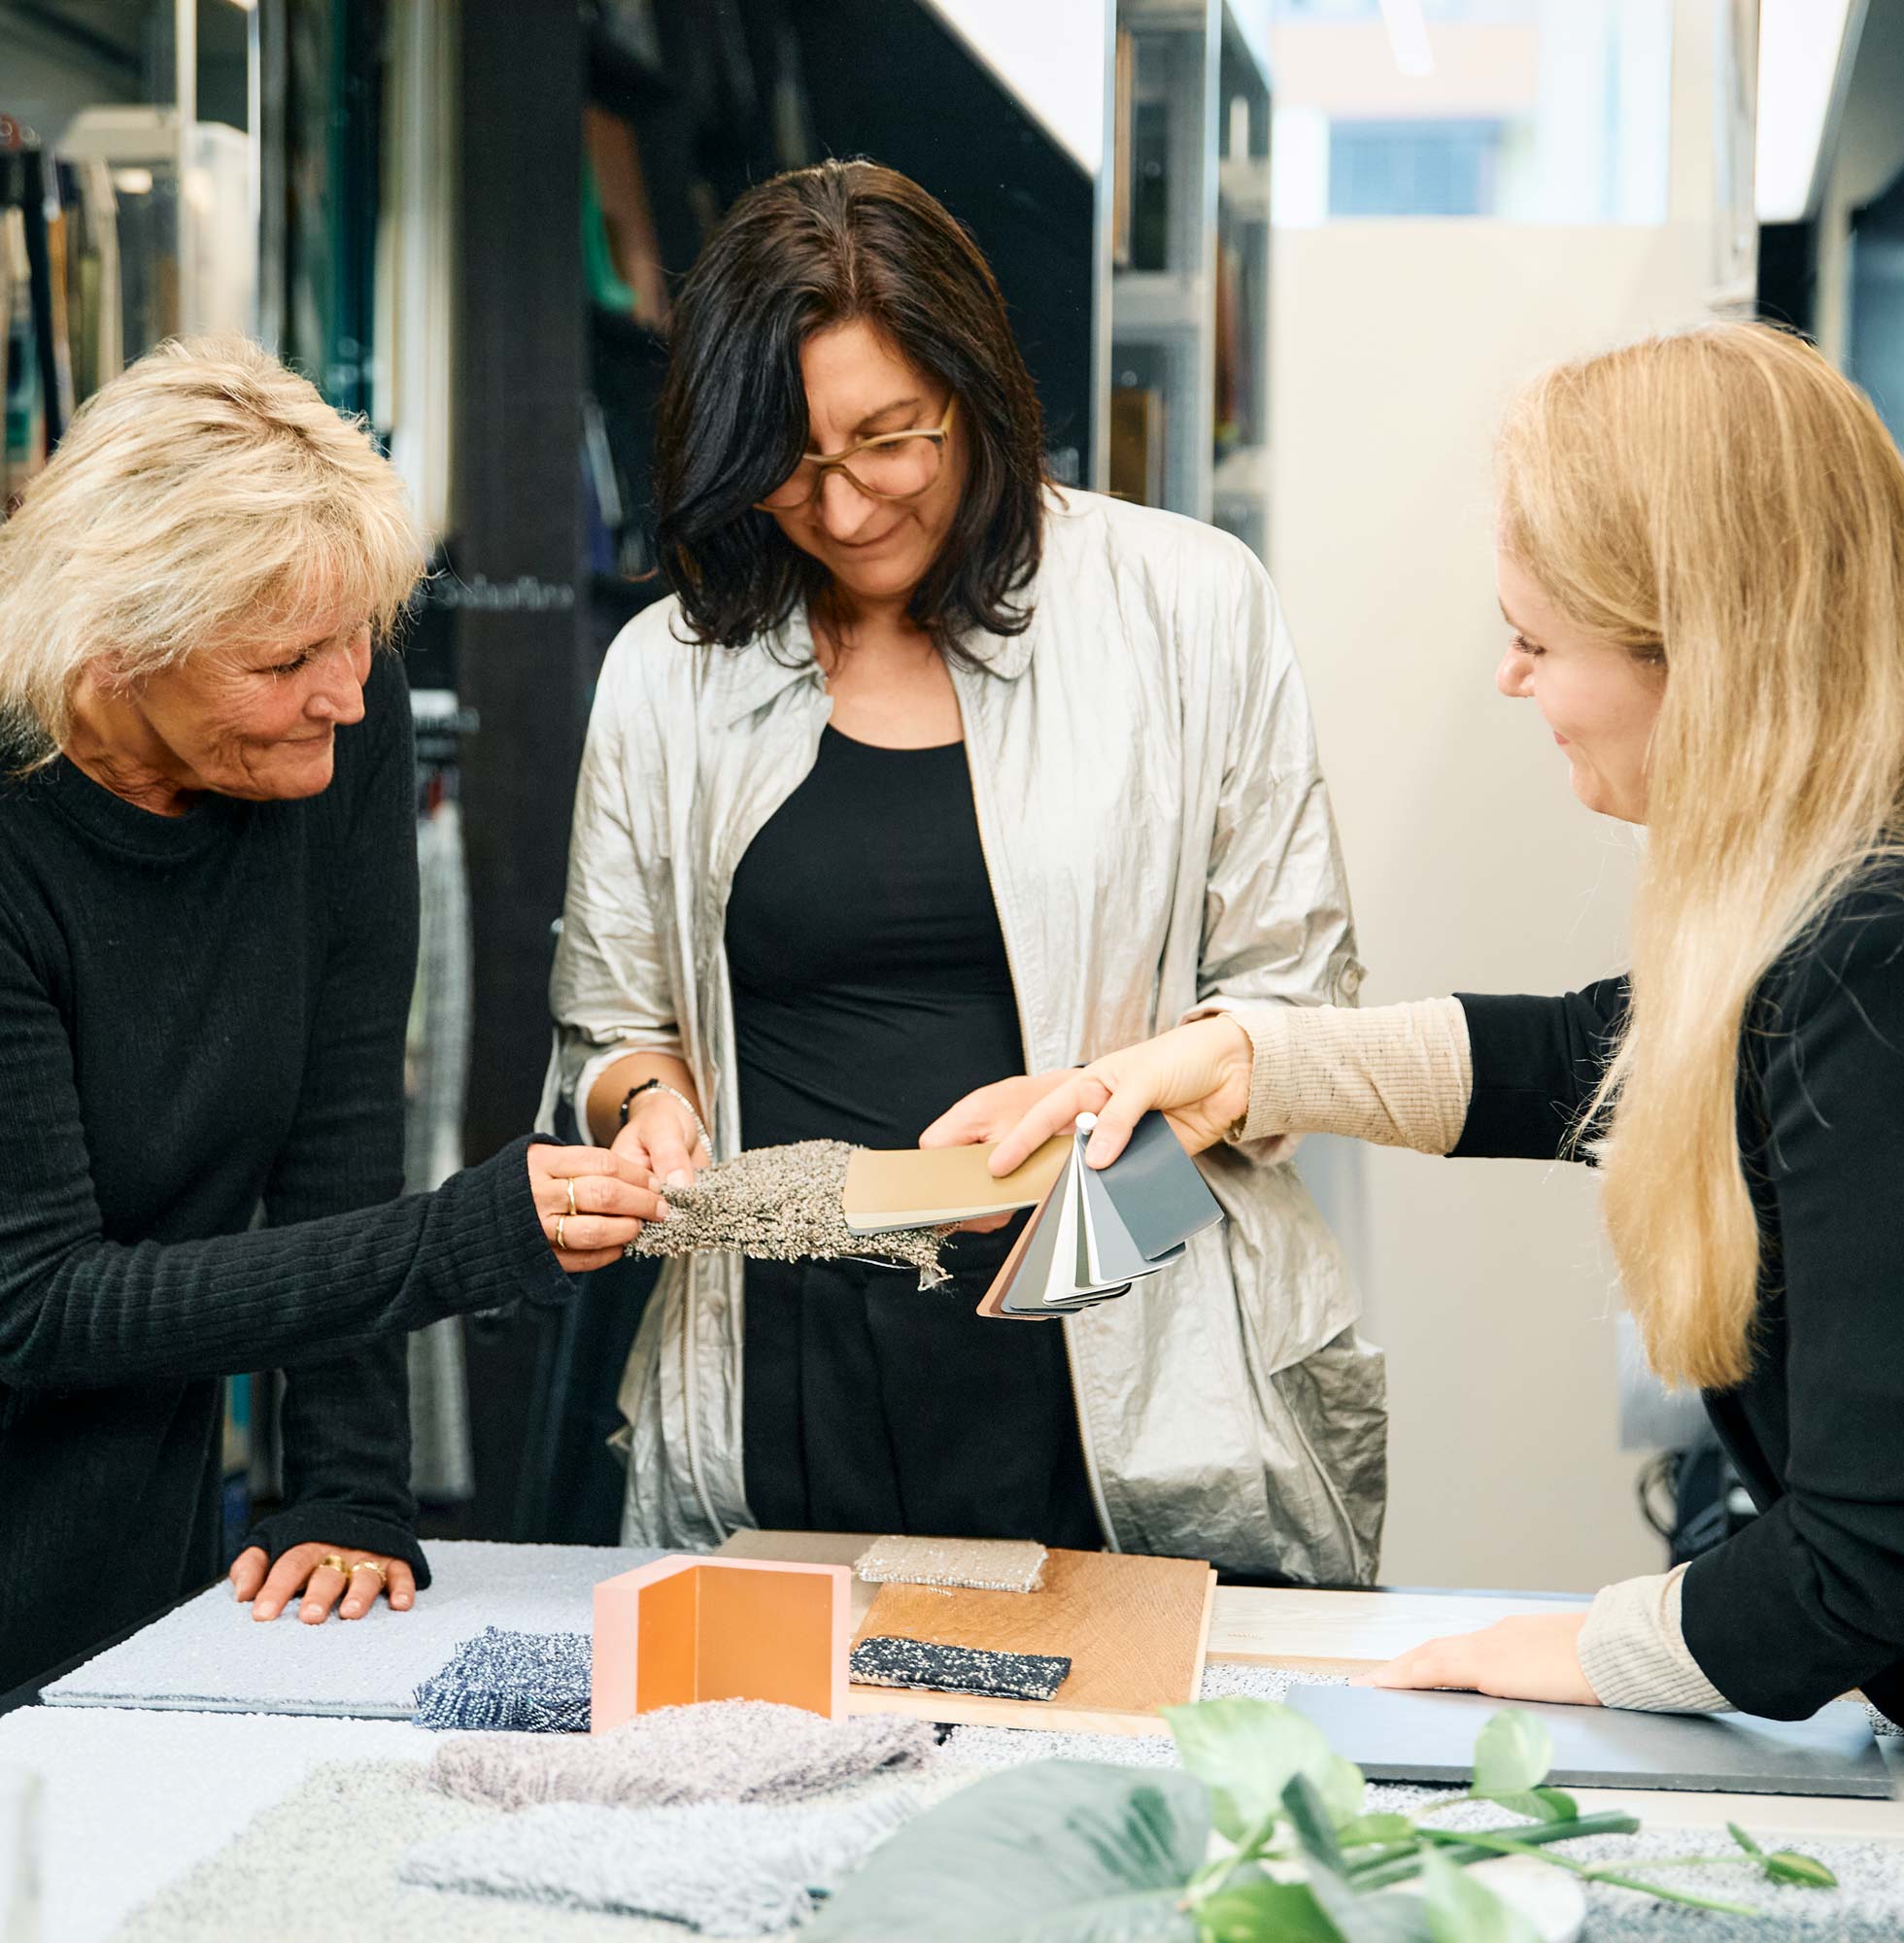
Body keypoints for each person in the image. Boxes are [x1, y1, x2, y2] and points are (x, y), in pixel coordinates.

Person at [965, 322, 1904, 1725]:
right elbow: (1603, 1055)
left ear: (1701, 654)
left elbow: (1858, 1571)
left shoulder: (1869, 968)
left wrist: (1571, 1648)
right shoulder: (1825, 918)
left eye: (1537, 639)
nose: (1514, 681)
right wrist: (1251, 1055)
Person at [547, 159, 1384, 1580]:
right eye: (790, 465)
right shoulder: (666, 674)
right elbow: (611, 1026)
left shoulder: (1184, 608)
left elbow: (1293, 1024)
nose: (849, 506)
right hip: (779, 1377)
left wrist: (1074, 1252)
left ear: (974, 387)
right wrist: (648, 1114)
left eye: (889, 440)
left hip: (1126, 1366)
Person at [0, 337, 664, 1693]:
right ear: (119, 648)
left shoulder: (328, 750)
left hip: (145, 1553)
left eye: (361, 632)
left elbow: (340, 1133)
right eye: (290, 656)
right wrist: (469, 1239)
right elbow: (41, 1310)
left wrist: (353, 1490)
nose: (353, 695)